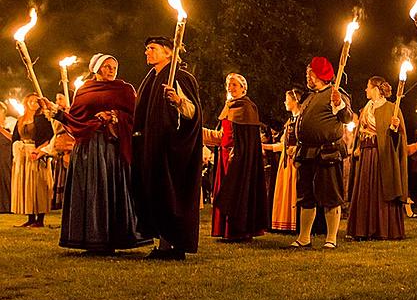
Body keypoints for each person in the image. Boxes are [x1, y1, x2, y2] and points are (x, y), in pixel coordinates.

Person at [47, 54, 150, 253]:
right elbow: (74, 119)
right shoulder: (84, 90)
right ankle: (89, 238)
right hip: (87, 147)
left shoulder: (125, 90)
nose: (112, 70)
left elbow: (136, 117)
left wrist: (113, 116)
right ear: (96, 69)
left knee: (110, 188)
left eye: (114, 66)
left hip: (111, 148)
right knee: (90, 189)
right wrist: (54, 111)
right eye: (107, 67)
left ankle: (114, 237)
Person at [132, 36, 204, 260]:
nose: (147, 52)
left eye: (152, 48)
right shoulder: (151, 78)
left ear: (169, 52)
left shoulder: (180, 77)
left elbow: (193, 113)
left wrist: (177, 101)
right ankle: (163, 244)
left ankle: (175, 246)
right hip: (153, 148)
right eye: (146, 49)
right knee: (156, 195)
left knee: (170, 196)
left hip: (173, 150)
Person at [293, 57, 353, 249]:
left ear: (317, 74)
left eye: (309, 73)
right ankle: (304, 238)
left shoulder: (336, 94)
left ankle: (331, 239)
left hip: (327, 152)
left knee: (330, 196)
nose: (307, 76)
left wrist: (339, 104)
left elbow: (346, 117)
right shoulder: (310, 96)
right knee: (306, 196)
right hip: (307, 152)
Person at [203, 73, 269, 242]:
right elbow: (223, 136)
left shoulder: (247, 107)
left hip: (239, 159)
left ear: (243, 88)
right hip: (224, 156)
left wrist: (237, 153)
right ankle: (226, 231)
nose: (230, 88)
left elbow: (246, 140)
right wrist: (200, 131)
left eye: (234, 85)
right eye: (229, 85)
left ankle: (239, 231)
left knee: (237, 191)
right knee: (225, 191)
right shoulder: (229, 106)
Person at [346, 76, 407, 240]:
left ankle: (384, 229)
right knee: (365, 191)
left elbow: (398, 141)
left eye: (368, 86)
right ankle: (362, 229)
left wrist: (395, 128)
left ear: (376, 89)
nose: (365, 90)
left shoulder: (391, 109)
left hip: (382, 157)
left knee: (381, 191)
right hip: (366, 156)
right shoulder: (365, 109)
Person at [12, 93, 55, 228]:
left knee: (38, 185)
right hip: (23, 154)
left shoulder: (43, 119)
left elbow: (49, 137)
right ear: (26, 103)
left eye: (36, 101)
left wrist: (40, 151)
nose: (33, 103)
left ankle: (40, 219)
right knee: (26, 185)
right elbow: (15, 138)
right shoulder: (20, 120)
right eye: (30, 101)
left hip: (37, 153)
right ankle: (30, 218)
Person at [264, 88, 303, 232]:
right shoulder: (290, 121)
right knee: (284, 191)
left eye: (287, 99)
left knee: (293, 191)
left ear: (295, 101)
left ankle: (294, 222)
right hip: (286, 161)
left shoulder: (301, 120)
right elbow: (283, 145)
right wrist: (264, 146)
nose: (285, 102)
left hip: (295, 161)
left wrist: (296, 148)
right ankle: (284, 221)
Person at [0, 102, 12, 213]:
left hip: (6, 159)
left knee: (6, 180)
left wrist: (1, 129)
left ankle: (7, 206)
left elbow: (14, 139)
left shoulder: (10, 123)